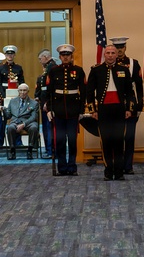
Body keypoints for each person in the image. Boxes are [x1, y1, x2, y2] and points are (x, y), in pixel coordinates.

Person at [85, 44, 136, 181]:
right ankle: (108, 171)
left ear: (116, 55)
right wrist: (92, 111)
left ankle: (119, 172)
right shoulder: (96, 70)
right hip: (103, 111)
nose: (110, 55)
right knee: (106, 141)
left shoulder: (124, 70)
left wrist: (129, 109)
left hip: (119, 110)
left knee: (119, 142)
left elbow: (130, 93)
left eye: (113, 53)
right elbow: (89, 92)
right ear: (104, 54)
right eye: (108, 53)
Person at [45, 44, 86, 176]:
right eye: (63, 55)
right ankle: (62, 167)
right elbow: (49, 92)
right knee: (60, 140)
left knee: (73, 140)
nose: (65, 57)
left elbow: (83, 92)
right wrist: (49, 108)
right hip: (58, 110)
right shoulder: (53, 71)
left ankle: (72, 166)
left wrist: (81, 110)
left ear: (71, 56)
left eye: (68, 55)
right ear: (60, 57)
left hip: (73, 110)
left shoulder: (79, 71)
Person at [111, 37, 144, 175]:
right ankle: (117, 164)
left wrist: (139, 104)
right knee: (116, 137)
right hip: (114, 105)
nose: (119, 50)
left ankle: (128, 166)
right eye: (117, 47)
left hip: (130, 105)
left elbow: (139, 85)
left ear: (125, 48)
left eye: (121, 47)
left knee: (129, 137)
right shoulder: (108, 63)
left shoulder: (133, 63)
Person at [3, 83, 39, 159]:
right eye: (21, 90)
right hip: (15, 121)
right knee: (10, 128)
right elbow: (8, 115)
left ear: (28, 91)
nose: (22, 92)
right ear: (18, 91)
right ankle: (12, 150)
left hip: (28, 122)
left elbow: (33, 117)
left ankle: (30, 150)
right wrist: (3, 110)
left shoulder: (34, 103)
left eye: (24, 90)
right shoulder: (12, 101)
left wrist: (24, 124)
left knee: (34, 127)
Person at [35, 49, 56, 158]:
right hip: (44, 102)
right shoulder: (48, 67)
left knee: (49, 127)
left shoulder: (51, 67)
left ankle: (51, 150)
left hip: (49, 103)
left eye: (40, 59)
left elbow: (51, 88)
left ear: (46, 57)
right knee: (46, 127)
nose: (40, 61)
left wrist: (47, 102)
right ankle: (49, 149)